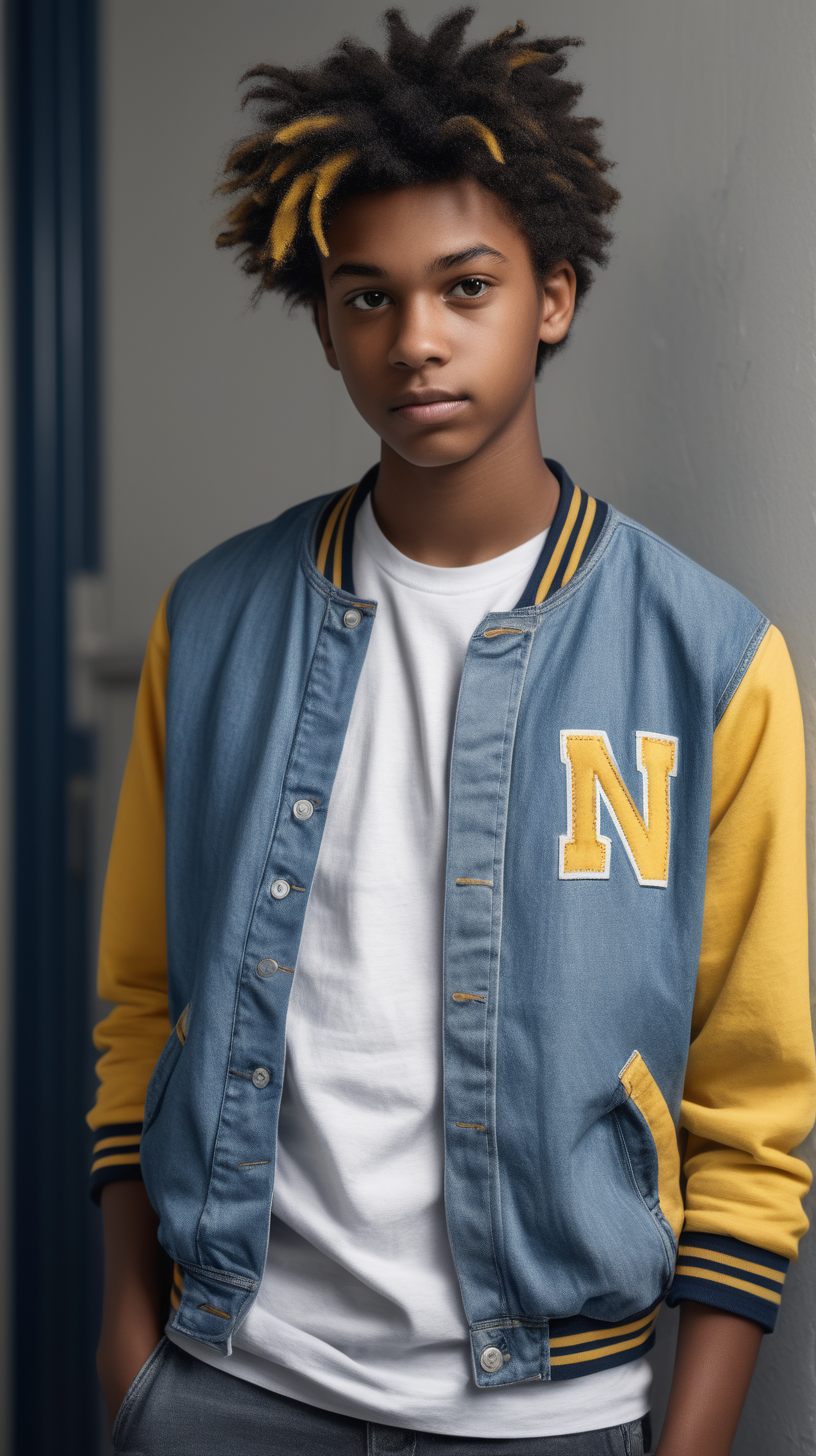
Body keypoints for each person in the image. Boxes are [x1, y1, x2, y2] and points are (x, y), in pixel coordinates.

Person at [88, 11, 815, 1455]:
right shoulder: (214, 619)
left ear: (552, 295)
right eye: (367, 297)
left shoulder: (709, 656)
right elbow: (139, 1003)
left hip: (552, 1412)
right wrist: (126, 1322)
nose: (414, 340)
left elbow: (754, 1100)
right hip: (230, 1379)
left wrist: (693, 1440)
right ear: (322, 320)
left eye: (464, 287)